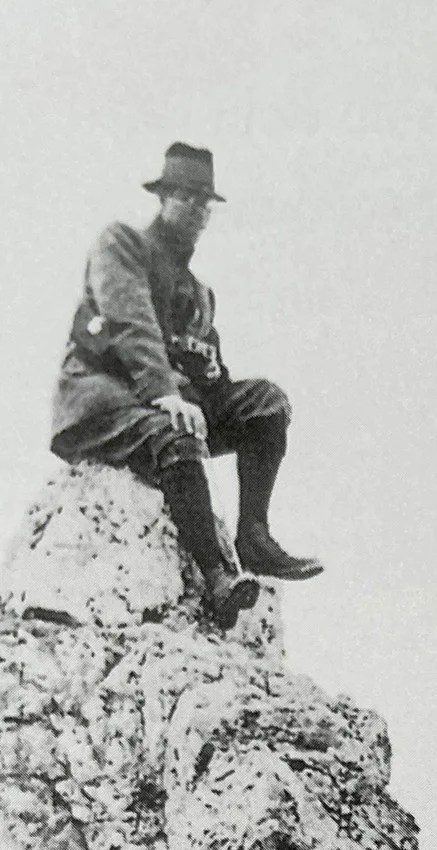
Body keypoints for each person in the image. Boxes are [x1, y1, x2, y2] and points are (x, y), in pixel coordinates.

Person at [51, 143, 322, 627]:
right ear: (163, 198)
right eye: (187, 197)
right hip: (102, 402)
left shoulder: (200, 293)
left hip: (158, 404)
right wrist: (167, 389)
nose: (198, 210)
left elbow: (210, 375)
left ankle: (254, 537)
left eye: (205, 202)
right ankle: (217, 576)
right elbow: (130, 323)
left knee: (265, 403)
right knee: (176, 431)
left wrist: (211, 374)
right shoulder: (122, 245)